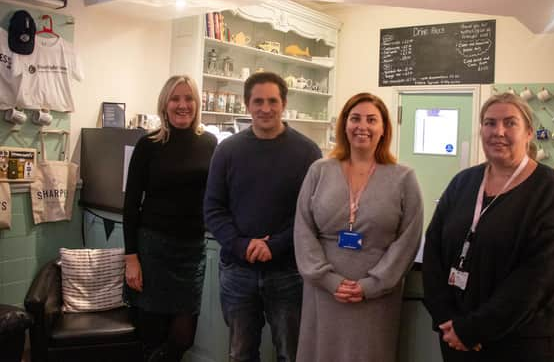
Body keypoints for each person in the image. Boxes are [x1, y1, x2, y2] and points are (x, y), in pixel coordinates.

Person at [422, 92, 554, 362]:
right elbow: (434, 247)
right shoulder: (463, 182)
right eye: (490, 123)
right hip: (456, 333)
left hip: (521, 341)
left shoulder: (548, 189)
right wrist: (445, 317)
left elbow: (539, 276)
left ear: (528, 132)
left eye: (509, 123)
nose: (498, 131)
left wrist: (474, 329)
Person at [294, 92, 424, 362]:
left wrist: (373, 284)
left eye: (371, 120)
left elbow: (409, 238)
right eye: (355, 118)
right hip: (324, 293)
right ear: (344, 125)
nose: (362, 126)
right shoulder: (319, 171)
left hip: (376, 299)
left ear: (384, 128)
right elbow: (303, 230)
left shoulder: (404, 178)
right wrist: (328, 279)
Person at [204, 71, 322, 362]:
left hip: (288, 272)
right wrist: (242, 245)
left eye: (272, 101)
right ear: (247, 105)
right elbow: (213, 209)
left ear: (283, 104)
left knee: (291, 354)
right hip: (237, 271)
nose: (265, 108)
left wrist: (275, 245)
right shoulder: (227, 150)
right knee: (240, 354)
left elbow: (312, 214)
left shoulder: (308, 152)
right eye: (258, 101)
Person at [123, 75, 218, 362]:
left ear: (197, 103)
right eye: (175, 98)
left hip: (191, 251)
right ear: (165, 104)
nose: (182, 105)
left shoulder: (210, 142)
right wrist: (131, 258)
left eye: (188, 98)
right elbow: (130, 205)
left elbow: (220, 192)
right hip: (153, 250)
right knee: (151, 335)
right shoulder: (148, 145)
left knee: (182, 337)